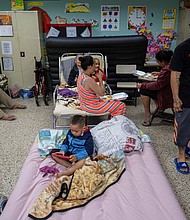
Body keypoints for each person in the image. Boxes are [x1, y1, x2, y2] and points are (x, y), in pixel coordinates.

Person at [169, 38, 190, 175]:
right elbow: (175, 74)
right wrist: (176, 98)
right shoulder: (183, 48)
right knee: (183, 126)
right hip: (186, 95)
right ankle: (181, 156)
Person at [137, 50, 173, 126]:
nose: (158, 64)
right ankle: (158, 108)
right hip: (169, 91)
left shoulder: (166, 71)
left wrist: (142, 85)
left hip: (167, 95)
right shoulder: (172, 66)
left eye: (158, 62)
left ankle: (148, 115)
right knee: (147, 87)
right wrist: (160, 74)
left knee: (143, 90)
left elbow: (157, 85)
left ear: (163, 61)